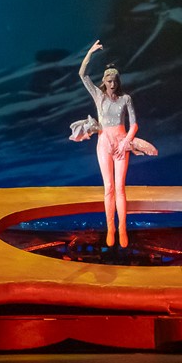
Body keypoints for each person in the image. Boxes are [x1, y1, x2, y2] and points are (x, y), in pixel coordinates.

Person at [73, 40, 156, 249]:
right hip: (104, 144)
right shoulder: (99, 96)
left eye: (114, 81)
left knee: (120, 187)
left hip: (121, 144)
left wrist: (126, 141)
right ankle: (110, 227)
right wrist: (90, 52)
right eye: (109, 81)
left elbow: (134, 124)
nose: (112, 84)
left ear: (118, 82)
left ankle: (122, 227)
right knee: (108, 187)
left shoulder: (125, 98)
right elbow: (82, 74)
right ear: (104, 81)